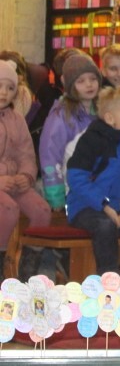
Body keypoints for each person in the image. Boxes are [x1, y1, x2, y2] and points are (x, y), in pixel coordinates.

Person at [66, 86, 120, 282]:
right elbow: (76, 177)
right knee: (105, 226)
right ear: (110, 118)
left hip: (119, 209)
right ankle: (109, 283)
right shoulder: (91, 140)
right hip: (85, 207)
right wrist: (104, 205)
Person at [0, 60, 51, 263]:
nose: (4, 92)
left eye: (10, 88)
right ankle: (3, 261)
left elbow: (26, 154)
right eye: (0, 86)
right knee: (8, 209)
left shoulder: (17, 119)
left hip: (14, 182)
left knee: (42, 210)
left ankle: (29, 262)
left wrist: (26, 175)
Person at [39, 53, 101, 210]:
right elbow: (50, 154)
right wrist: (56, 195)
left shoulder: (103, 111)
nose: (89, 85)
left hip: (98, 187)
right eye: (81, 81)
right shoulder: (61, 115)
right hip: (71, 188)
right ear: (68, 84)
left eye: (93, 79)